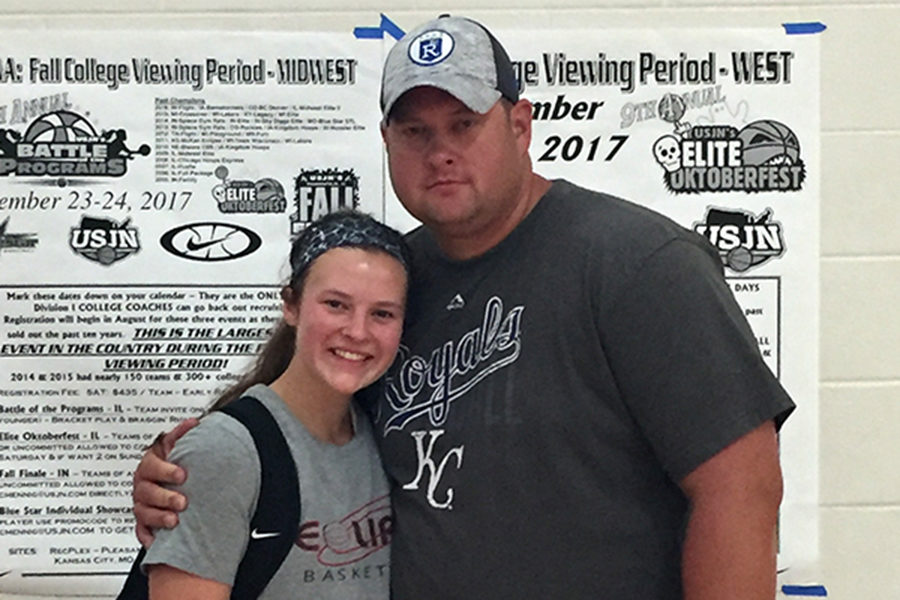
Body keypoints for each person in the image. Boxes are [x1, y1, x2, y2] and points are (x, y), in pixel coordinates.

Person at [132, 15, 795, 600]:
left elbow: (742, 491)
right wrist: (185, 478)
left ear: (519, 124)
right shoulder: (393, 285)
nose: (440, 150)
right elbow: (296, 420)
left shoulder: (639, 264)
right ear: (387, 142)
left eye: (464, 124)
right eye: (415, 130)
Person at [139, 210, 409, 599]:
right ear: (291, 305)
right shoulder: (227, 450)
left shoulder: (383, 436)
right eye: (336, 304)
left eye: (382, 313)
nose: (357, 331)